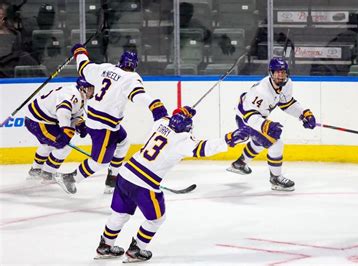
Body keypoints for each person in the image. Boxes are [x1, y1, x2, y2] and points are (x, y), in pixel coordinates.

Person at [89, 106, 249, 262]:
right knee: (156, 219)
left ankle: (105, 246)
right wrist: (230, 139)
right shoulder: (183, 141)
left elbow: (158, 108)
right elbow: (204, 148)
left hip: (125, 174)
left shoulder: (161, 123)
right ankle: (136, 249)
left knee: (120, 214)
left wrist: (180, 112)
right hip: (145, 184)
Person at [54, 44, 168, 194]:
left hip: (98, 120)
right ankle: (70, 178)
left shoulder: (105, 68)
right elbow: (138, 95)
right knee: (100, 161)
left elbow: (83, 67)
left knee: (123, 142)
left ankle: (112, 179)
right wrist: (154, 105)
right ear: (135, 66)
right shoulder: (131, 77)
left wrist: (79, 51)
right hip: (103, 125)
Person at [226, 57, 316, 191]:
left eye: (283, 72)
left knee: (260, 142)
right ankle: (276, 179)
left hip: (258, 116)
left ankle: (239, 164)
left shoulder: (286, 84)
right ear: (271, 73)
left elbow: (286, 103)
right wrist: (266, 126)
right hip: (246, 118)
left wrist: (303, 114)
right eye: (277, 72)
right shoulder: (261, 91)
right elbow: (249, 115)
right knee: (275, 143)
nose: (280, 75)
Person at [25, 77, 94, 182]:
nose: (93, 91)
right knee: (64, 146)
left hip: (44, 120)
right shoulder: (73, 96)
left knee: (48, 144)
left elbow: (74, 114)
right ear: (82, 88)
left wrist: (79, 124)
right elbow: (63, 111)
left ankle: (35, 170)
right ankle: (47, 173)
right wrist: (66, 131)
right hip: (38, 121)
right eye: (90, 89)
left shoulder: (80, 96)